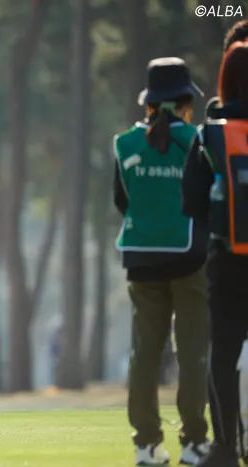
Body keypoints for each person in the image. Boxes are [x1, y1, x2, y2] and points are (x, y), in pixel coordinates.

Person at [113, 57, 210, 466]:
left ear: (149, 103)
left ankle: (146, 446)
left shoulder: (125, 144)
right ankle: (194, 443)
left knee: (145, 355)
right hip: (189, 259)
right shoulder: (197, 140)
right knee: (192, 353)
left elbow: (122, 201)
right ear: (185, 103)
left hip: (141, 259)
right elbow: (206, 199)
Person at [183, 41, 248, 467]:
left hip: (227, 258)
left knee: (223, 352)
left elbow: (191, 201)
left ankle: (225, 446)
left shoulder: (211, 134)